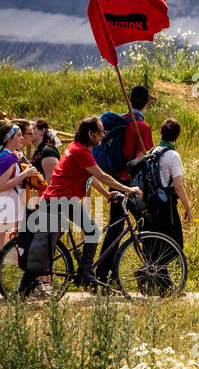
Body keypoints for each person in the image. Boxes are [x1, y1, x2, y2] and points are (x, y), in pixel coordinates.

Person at [20, 116, 142, 294]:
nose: (103, 135)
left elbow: (90, 177)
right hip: (63, 199)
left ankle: (24, 286)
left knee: (48, 242)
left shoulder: (74, 148)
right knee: (92, 229)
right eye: (100, 132)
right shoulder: (81, 152)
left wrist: (107, 193)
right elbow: (102, 176)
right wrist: (128, 189)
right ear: (91, 134)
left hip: (54, 198)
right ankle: (85, 273)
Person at [96, 85, 154, 284]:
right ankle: (154, 272)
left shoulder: (118, 121)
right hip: (131, 185)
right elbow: (143, 157)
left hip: (114, 181)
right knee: (146, 224)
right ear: (147, 102)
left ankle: (104, 275)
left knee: (115, 226)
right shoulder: (142, 127)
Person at [139, 117, 192, 291]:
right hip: (167, 205)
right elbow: (177, 185)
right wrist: (187, 207)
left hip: (151, 204)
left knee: (158, 243)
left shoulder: (153, 151)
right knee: (176, 245)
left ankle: (162, 284)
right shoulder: (172, 155)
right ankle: (147, 272)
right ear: (177, 136)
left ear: (161, 133)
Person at [0, 121, 31, 239]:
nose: (22, 138)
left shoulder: (8, 154)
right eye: (18, 135)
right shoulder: (8, 157)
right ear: (9, 138)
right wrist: (25, 174)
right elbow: (1, 185)